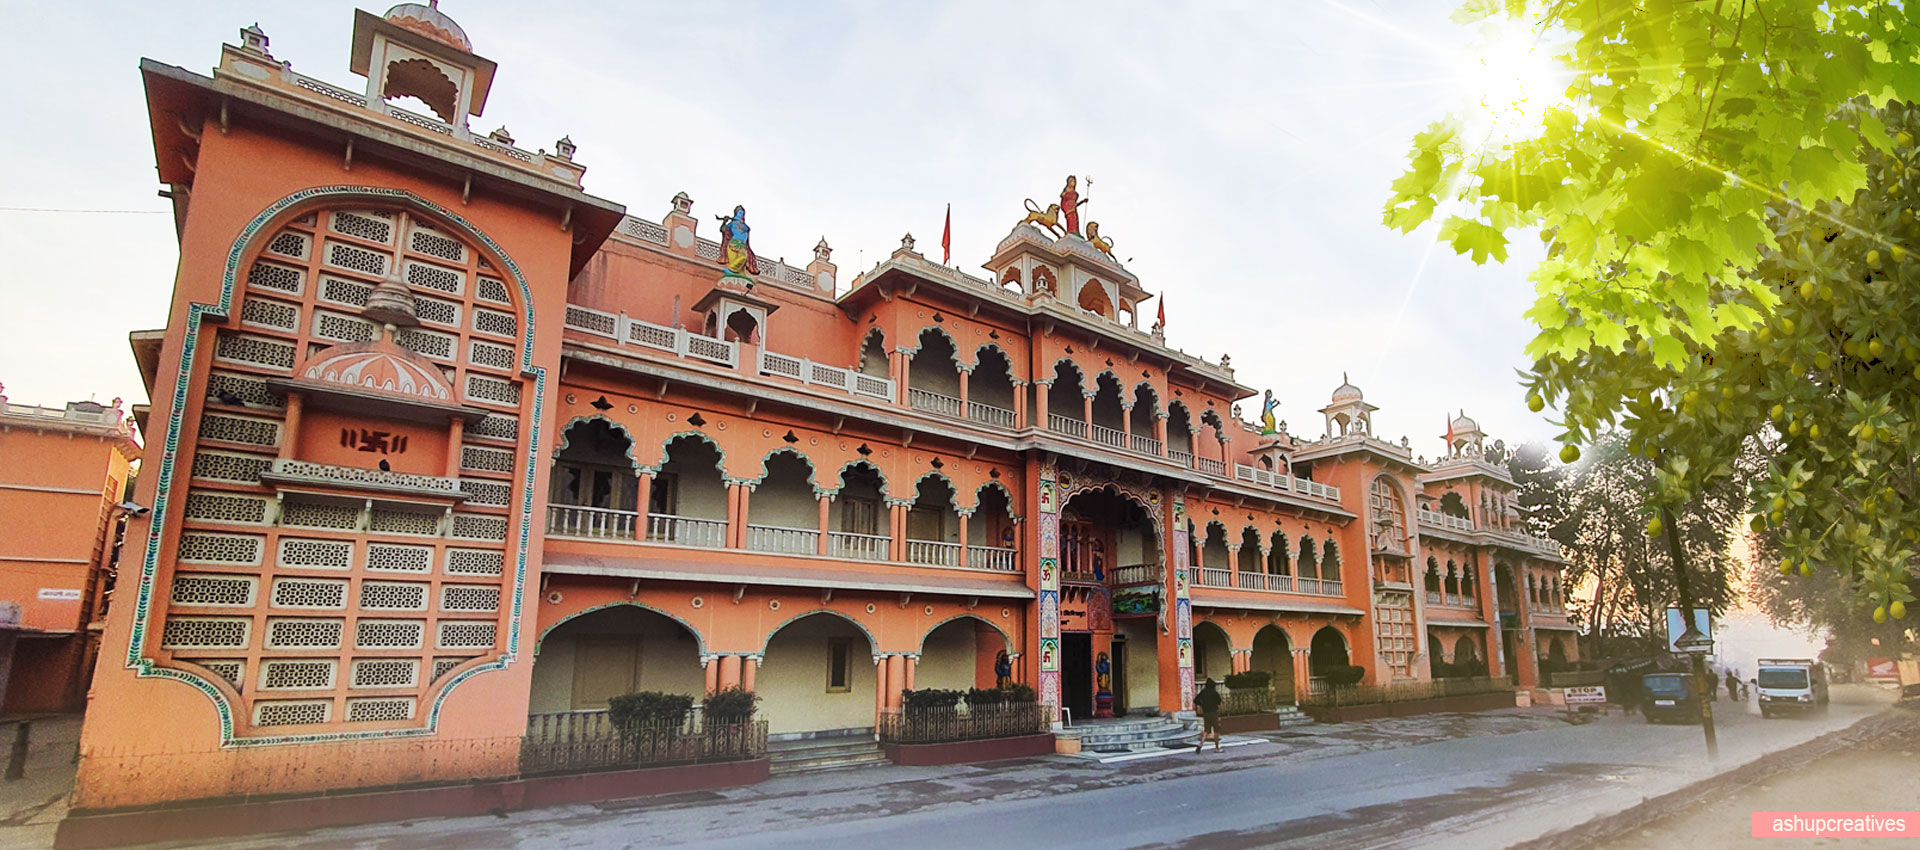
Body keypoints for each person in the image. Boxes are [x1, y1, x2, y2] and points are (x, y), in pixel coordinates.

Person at [1194, 678, 1223, 754]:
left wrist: (1202, 704)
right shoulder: (1214, 693)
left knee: (1207, 730)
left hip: (1205, 712)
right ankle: (1217, 748)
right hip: (1213, 712)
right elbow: (1219, 702)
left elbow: (1195, 700)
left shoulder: (1203, 692)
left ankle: (1200, 744)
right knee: (1216, 730)